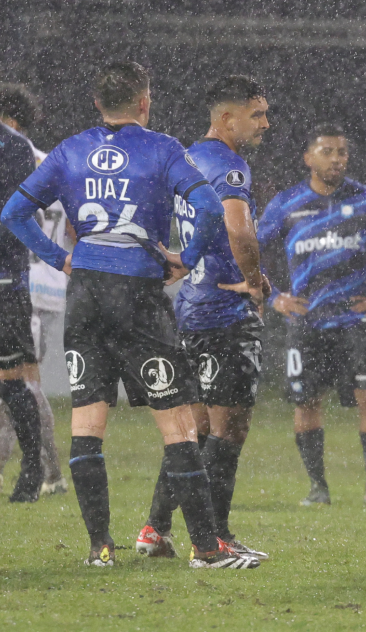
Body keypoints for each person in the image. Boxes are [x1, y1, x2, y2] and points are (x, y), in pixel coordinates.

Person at [0, 61, 258, 569]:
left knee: (88, 422)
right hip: (137, 291)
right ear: (144, 101)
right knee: (179, 423)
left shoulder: (71, 149)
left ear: (98, 104)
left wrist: (62, 260)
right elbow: (209, 211)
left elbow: (12, 213)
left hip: (87, 293)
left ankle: (100, 548)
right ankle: (207, 548)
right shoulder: (162, 148)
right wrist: (186, 258)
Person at [136, 75, 272, 561]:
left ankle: (155, 528)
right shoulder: (229, 166)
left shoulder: (187, 158)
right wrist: (256, 280)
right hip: (223, 311)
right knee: (227, 427)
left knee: (191, 429)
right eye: (256, 114)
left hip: (190, 308)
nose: (265, 123)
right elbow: (239, 230)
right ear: (227, 117)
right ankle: (214, 538)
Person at [258, 123, 366, 509]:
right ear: (308, 158)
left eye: (342, 152)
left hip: (354, 321)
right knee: (306, 402)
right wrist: (275, 297)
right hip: (307, 323)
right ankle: (317, 489)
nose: (336, 159)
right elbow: (248, 252)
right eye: (327, 151)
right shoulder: (286, 203)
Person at [0, 82, 68, 498]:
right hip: (44, 281)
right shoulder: (47, 159)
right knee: (25, 379)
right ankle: (47, 470)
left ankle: (45, 471)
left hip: (22, 276)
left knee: (16, 381)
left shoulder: (18, 150)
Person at [0, 84, 45, 503]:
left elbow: (14, 212)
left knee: (12, 379)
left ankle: (34, 470)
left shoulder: (14, 147)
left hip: (5, 282)